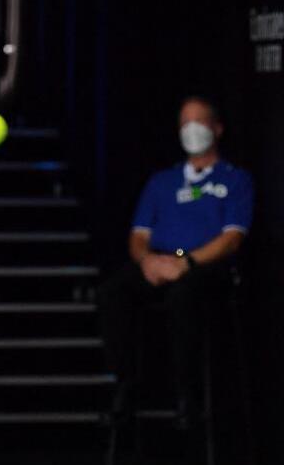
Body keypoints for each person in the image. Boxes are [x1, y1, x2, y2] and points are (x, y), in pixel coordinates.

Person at [98, 95, 253, 430]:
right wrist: (148, 262)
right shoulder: (161, 182)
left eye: (198, 122)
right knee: (114, 293)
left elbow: (232, 238)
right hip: (159, 263)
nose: (191, 130)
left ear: (217, 128)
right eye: (185, 123)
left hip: (204, 268)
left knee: (185, 297)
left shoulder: (234, 179)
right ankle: (126, 387)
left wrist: (188, 262)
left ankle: (188, 397)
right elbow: (138, 237)